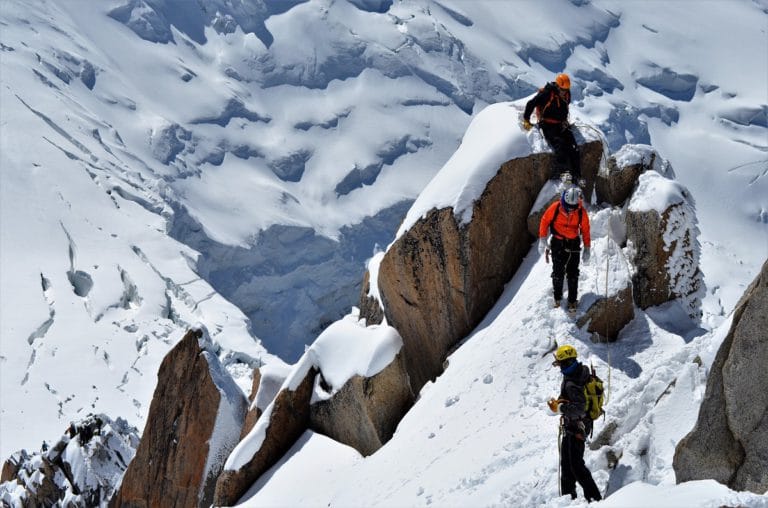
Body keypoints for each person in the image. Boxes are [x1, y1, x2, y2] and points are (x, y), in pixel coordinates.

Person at [548, 344, 602, 502]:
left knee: (576, 466)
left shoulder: (573, 382)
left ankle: (595, 499)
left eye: (564, 364)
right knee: (567, 464)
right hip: (574, 426)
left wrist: (560, 408)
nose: (562, 367)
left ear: (571, 362)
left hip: (577, 427)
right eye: (561, 364)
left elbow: (579, 408)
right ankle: (567, 498)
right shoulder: (578, 374)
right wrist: (561, 401)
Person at [522, 73, 582, 184]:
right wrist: (526, 119)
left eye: (566, 90)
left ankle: (577, 175)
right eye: (563, 90)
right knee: (560, 145)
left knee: (574, 147)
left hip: (561, 124)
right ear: (558, 86)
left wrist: (564, 121)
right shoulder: (547, 93)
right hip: (548, 124)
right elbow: (531, 103)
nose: (565, 92)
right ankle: (565, 174)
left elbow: (564, 107)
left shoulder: (566, 94)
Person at [538, 186, 590, 312]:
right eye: (568, 208)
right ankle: (557, 298)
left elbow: (585, 229)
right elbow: (545, 220)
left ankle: (572, 301)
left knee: (573, 273)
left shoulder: (581, 212)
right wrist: (542, 238)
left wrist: (587, 247)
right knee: (558, 272)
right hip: (558, 243)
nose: (570, 211)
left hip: (573, 244)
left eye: (572, 208)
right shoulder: (556, 207)